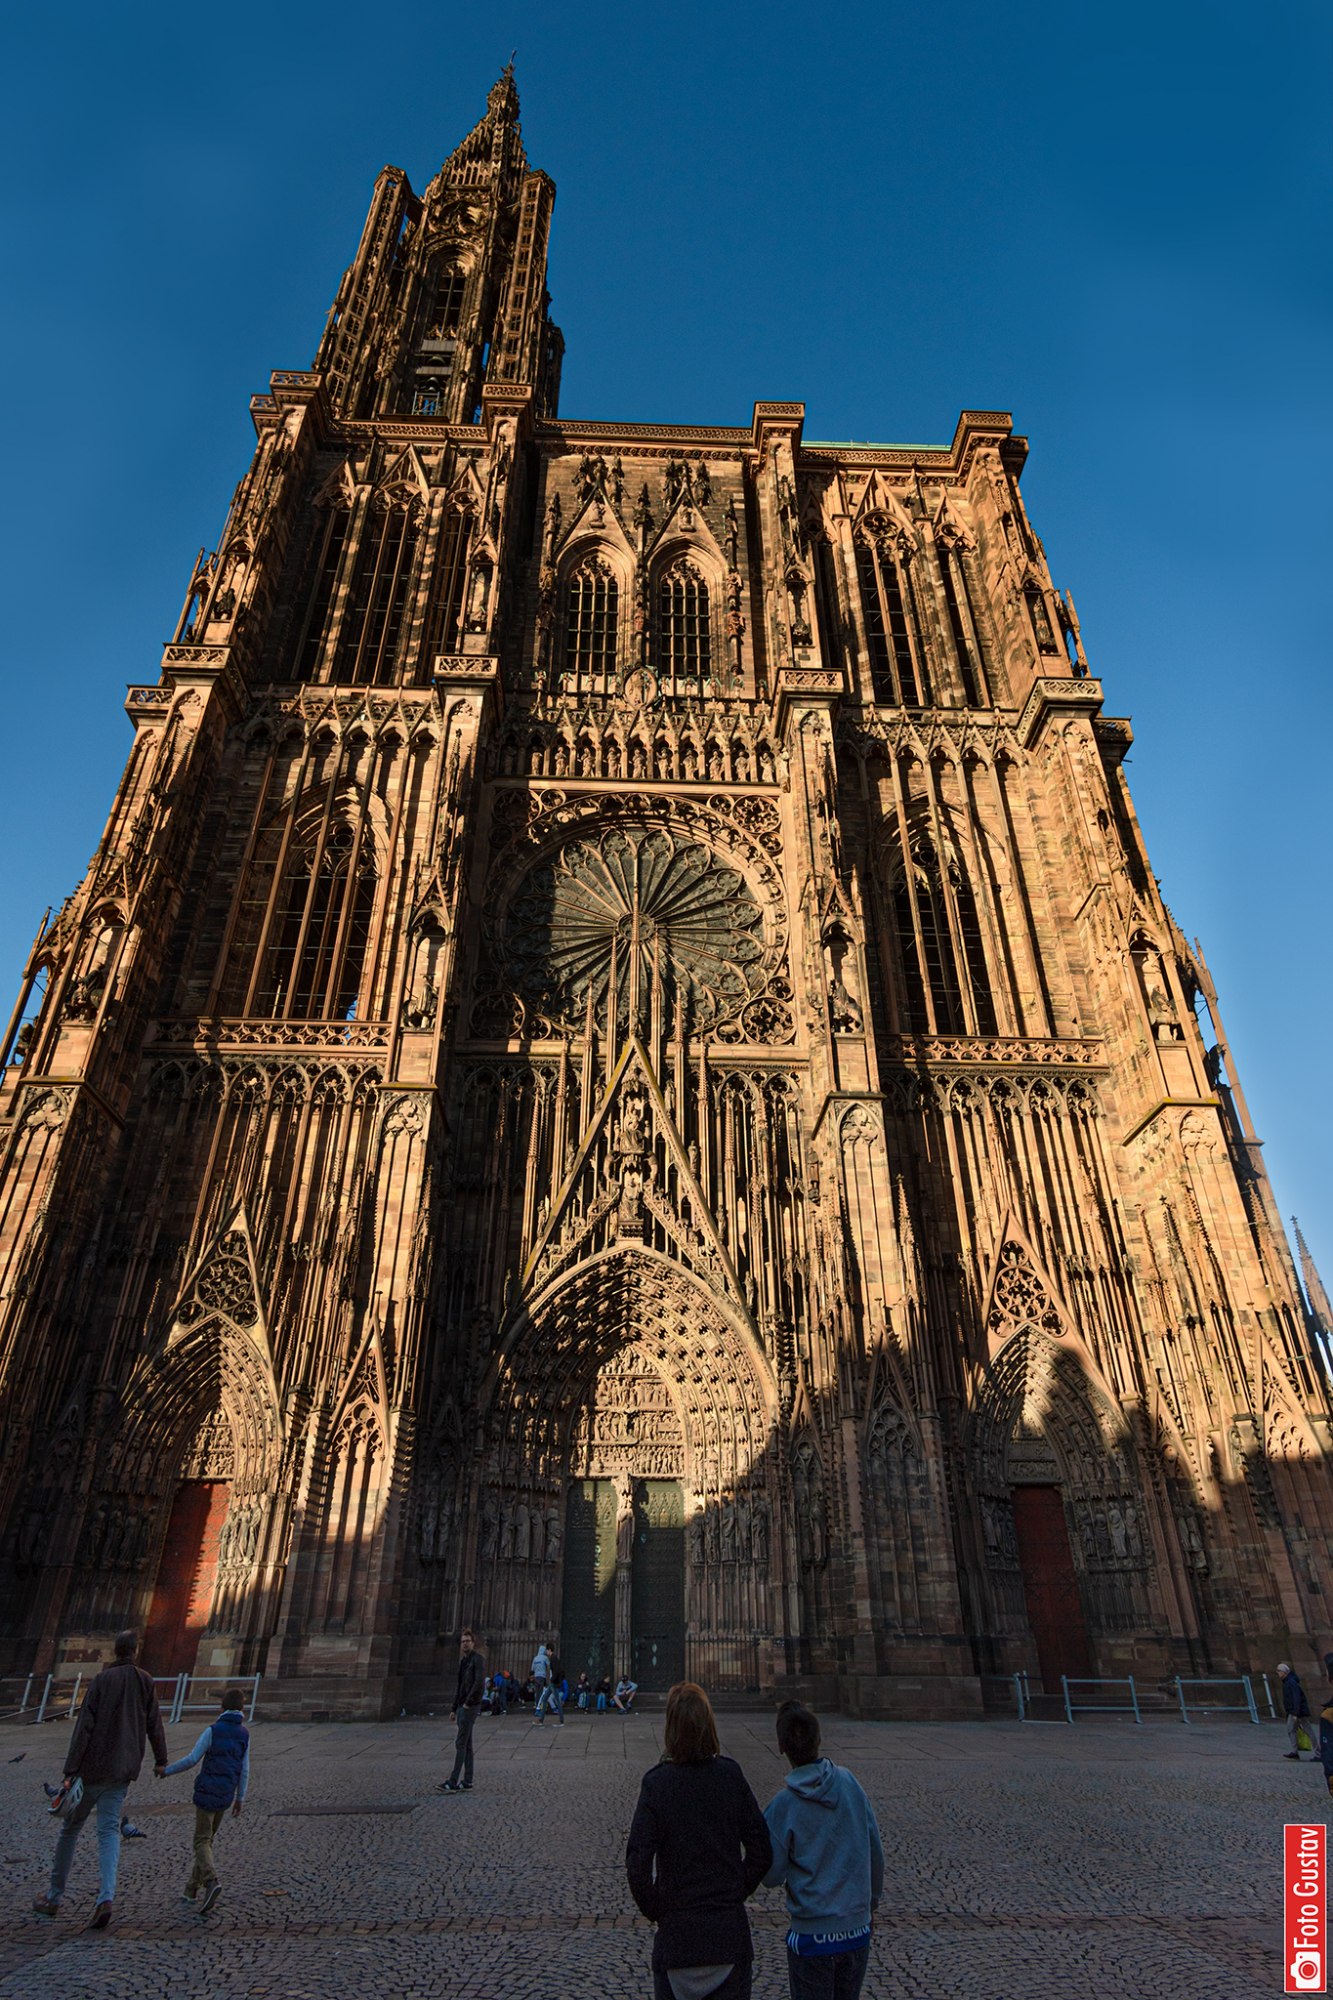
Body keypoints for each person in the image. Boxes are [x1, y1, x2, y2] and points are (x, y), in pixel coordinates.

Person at [626, 1681, 772, 2000]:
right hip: (728, 1940)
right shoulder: (730, 1776)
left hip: (677, 1944)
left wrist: (662, 1910)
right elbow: (762, 1850)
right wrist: (732, 1894)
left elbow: (637, 1865)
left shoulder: (657, 1785)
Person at [32, 1629, 168, 1930]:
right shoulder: (145, 1680)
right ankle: (105, 1898)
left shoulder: (102, 1680)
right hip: (121, 1770)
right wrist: (161, 1760)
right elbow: (154, 1724)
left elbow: (84, 1728)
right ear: (134, 1651)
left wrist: (70, 1771)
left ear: (114, 1651)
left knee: (70, 1831)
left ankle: (54, 1897)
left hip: (92, 1768)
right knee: (108, 1832)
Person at [762, 1700, 884, 1999]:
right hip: (856, 1931)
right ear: (819, 1739)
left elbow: (771, 1873)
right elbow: (875, 1851)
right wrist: (871, 1902)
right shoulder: (849, 1783)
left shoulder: (784, 1805)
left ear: (781, 1746)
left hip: (813, 1936)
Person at [158, 1685, 251, 1915]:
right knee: (206, 1842)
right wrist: (240, 1797)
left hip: (207, 1791)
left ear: (222, 1707)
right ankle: (191, 1889)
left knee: (201, 1841)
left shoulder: (213, 1730)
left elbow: (192, 1759)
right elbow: (245, 1769)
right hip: (226, 1794)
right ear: (242, 1709)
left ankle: (210, 1881)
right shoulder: (244, 1734)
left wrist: (166, 1771)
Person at [440, 1628, 484, 1792]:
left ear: (473, 1643)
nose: (465, 1644)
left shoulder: (477, 1660)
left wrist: (467, 1703)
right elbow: (459, 1686)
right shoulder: (463, 1662)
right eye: (463, 1641)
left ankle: (452, 1781)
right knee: (467, 1744)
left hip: (469, 1707)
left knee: (460, 1743)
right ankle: (468, 1781)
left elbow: (479, 1683)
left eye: (468, 1641)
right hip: (462, 1706)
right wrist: (454, 1707)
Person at [1279, 1661, 1316, 1759]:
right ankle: (1295, 1751)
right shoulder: (1288, 1682)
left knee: (1307, 1730)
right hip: (1294, 1711)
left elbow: (1296, 1697)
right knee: (1291, 1729)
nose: (1278, 1673)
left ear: (1285, 1672)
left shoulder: (1291, 1682)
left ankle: (1318, 1752)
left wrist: (1295, 1712)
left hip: (1298, 1711)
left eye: (1279, 1671)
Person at [536, 1647, 565, 1725]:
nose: (546, 1652)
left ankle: (561, 1720)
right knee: (545, 1699)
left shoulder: (553, 1658)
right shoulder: (553, 1658)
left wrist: (552, 1679)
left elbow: (557, 1670)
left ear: (549, 1650)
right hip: (553, 1682)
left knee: (557, 1701)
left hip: (553, 1682)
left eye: (547, 1650)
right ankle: (541, 1720)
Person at [531, 1641, 551, 1715]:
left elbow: (532, 1669)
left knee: (537, 1693)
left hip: (536, 1677)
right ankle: (541, 1708)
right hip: (542, 1676)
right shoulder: (545, 1658)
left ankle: (537, 1707)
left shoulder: (535, 1658)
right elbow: (549, 1666)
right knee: (542, 1693)